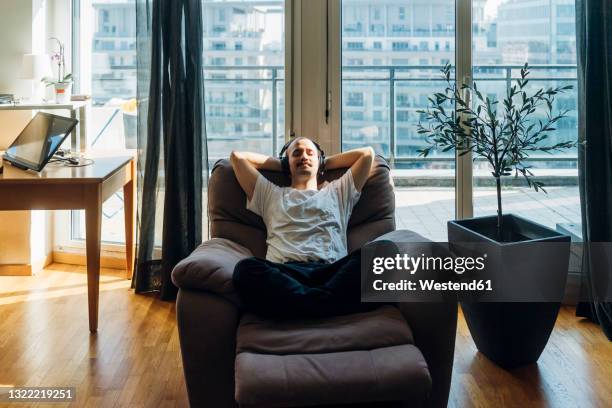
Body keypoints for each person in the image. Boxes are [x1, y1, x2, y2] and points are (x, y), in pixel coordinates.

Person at [230, 137, 385, 318]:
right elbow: (237, 157)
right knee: (245, 269)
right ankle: (327, 306)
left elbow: (367, 154)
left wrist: (323, 161)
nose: (304, 156)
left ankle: (303, 307)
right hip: (286, 274)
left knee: (384, 253)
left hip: (332, 272)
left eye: (310, 153)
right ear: (287, 163)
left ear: (319, 161)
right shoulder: (270, 194)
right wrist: (283, 163)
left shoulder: (338, 191)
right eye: (297, 153)